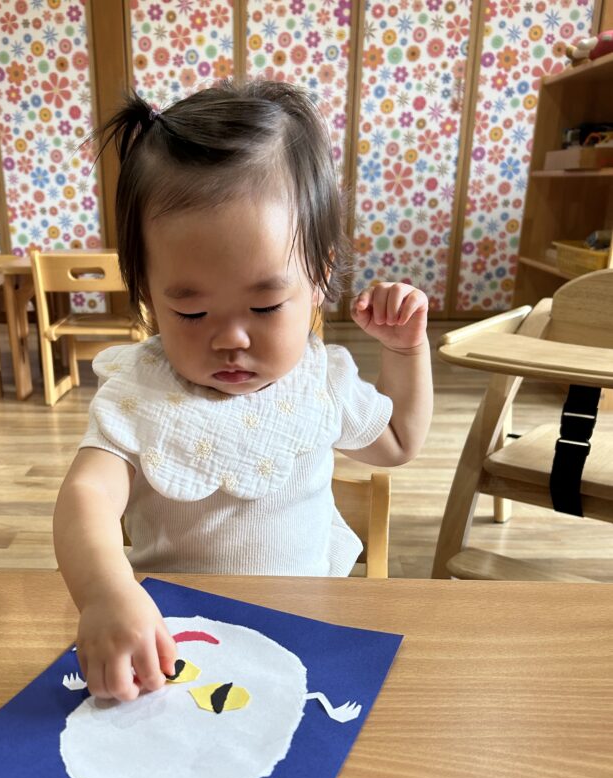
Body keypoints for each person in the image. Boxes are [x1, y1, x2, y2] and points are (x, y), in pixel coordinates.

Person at [54, 79, 433, 703]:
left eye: (265, 306)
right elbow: (86, 496)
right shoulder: (140, 393)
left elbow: (397, 441)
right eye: (191, 313)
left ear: (320, 277)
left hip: (308, 631)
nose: (231, 338)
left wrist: (404, 351)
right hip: (177, 646)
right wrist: (104, 592)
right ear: (148, 294)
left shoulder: (321, 381)